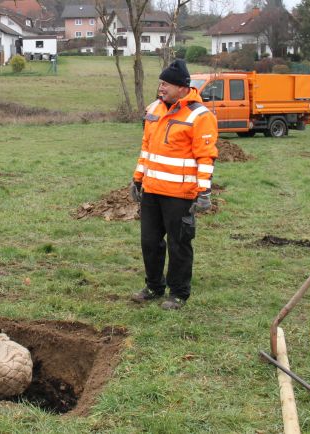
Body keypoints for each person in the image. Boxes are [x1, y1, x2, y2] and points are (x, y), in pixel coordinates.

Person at [129, 59, 218, 310]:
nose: (161, 88)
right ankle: (153, 286)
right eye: (160, 83)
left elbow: (205, 156)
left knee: (179, 245)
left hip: (180, 195)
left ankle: (178, 293)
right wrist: (138, 178)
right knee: (150, 242)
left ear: (181, 87)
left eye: (166, 83)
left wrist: (204, 192)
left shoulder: (200, 115)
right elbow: (147, 149)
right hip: (152, 192)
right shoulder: (154, 109)